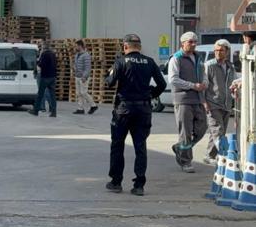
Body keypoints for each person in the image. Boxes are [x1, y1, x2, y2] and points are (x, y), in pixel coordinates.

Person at [104, 34, 166, 196]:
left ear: (125, 47)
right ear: (139, 47)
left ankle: (116, 182)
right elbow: (162, 84)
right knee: (140, 146)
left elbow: (109, 82)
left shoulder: (120, 62)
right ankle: (139, 185)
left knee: (118, 145)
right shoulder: (150, 62)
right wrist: (150, 94)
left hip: (123, 110)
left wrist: (110, 73)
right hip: (143, 109)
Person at [168, 31, 207, 173]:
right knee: (185, 132)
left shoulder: (198, 58)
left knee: (202, 128)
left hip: (197, 98)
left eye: (195, 41)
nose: (194, 44)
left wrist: (204, 83)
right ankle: (185, 161)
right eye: (191, 42)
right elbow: (173, 79)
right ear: (182, 43)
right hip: (183, 100)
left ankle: (180, 147)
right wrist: (192, 85)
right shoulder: (176, 58)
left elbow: (204, 75)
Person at [202, 39, 235, 165]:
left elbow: (233, 83)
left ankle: (209, 155)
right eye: (216, 50)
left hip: (226, 104)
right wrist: (205, 103)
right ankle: (223, 155)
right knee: (218, 130)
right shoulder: (209, 65)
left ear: (227, 52)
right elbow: (204, 85)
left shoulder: (230, 67)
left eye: (221, 50)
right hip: (212, 104)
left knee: (217, 131)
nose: (218, 52)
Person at [29, 41, 57, 117]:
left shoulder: (44, 54)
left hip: (45, 77)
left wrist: (37, 62)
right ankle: (54, 112)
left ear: (44, 47)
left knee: (40, 94)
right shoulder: (53, 54)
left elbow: (42, 65)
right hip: (53, 77)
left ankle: (36, 111)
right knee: (52, 95)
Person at [73, 40, 98, 115]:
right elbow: (76, 64)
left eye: (76, 46)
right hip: (77, 76)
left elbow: (88, 67)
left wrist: (85, 77)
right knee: (78, 93)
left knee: (83, 92)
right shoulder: (77, 55)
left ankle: (93, 105)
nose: (75, 47)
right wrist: (74, 67)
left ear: (80, 46)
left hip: (83, 77)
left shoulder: (86, 55)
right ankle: (80, 109)